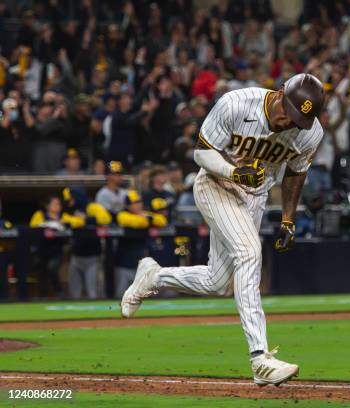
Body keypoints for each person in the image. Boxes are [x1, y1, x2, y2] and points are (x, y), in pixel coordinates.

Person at [120, 73, 325, 386]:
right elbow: (201, 152)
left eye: (300, 120)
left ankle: (154, 276)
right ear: (280, 92)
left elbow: (296, 172)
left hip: (254, 199)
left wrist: (287, 218)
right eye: (290, 112)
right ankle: (260, 359)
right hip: (216, 184)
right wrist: (234, 172)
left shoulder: (309, 133)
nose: (290, 123)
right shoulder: (237, 103)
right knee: (249, 252)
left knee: (218, 282)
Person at [115, 190, 167, 298]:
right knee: (121, 296)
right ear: (128, 205)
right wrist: (146, 220)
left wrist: (148, 218)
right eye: (135, 203)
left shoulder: (145, 214)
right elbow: (134, 222)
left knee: (142, 298)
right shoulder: (122, 214)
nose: (139, 205)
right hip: (123, 264)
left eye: (139, 202)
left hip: (140, 267)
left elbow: (162, 220)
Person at [62, 187, 111, 299]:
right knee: (74, 294)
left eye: (71, 200)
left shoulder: (91, 207)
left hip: (93, 258)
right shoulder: (70, 210)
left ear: (77, 197)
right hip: (75, 257)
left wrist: (85, 220)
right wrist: (79, 221)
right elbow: (65, 220)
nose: (69, 203)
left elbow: (105, 219)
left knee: (92, 293)